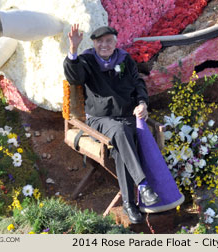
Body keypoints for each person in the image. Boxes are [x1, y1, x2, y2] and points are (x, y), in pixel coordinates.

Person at [63, 24, 160, 224]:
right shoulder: (87, 60)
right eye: (100, 41)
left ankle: (129, 205)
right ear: (94, 43)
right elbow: (74, 78)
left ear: (115, 43)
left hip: (125, 117)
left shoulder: (125, 60)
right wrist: (73, 50)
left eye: (108, 41)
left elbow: (138, 83)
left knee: (120, 143)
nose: (104, 45)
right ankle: (143, 185)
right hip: (99, 120)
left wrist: (142, 103)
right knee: (120, 131)